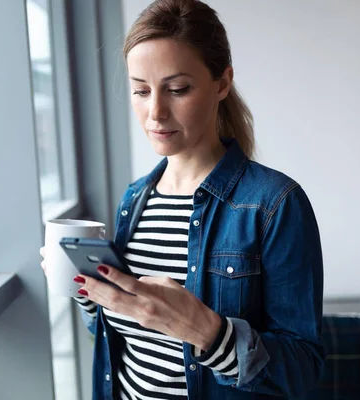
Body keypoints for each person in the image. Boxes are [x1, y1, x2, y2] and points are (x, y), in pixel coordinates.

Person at [41, 0, 325, 398]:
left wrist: (205, 331)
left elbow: (305, 369)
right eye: (140, 91)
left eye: (177, 89)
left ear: (222, 83)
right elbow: (128, 336)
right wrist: (88, 291)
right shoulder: (134, 199)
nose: (155, 112)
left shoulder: (274, 205)